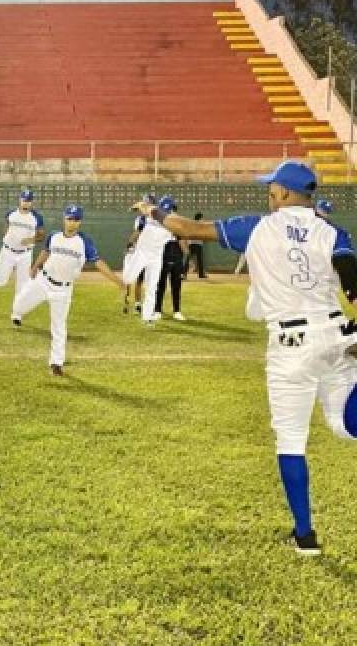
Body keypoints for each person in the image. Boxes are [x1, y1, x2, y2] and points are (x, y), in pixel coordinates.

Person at [136, 161, 357, 556]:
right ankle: (303, 535)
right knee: (344, 425)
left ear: (288, 193)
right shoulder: (333, 231)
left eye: (274, 187)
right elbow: (352, 277)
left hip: (292, 343)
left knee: (292, 440)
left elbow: (184, 229)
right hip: (337, 332)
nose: (269, 192)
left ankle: (305, 536)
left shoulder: (257, 226)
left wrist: (152, 210)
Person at [11, 205, 126, 376]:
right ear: (64, 218)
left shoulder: (84, 242)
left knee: (59, 326)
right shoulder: (54, 236)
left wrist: (119, 282)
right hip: (43, 281)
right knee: (18, 306)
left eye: (76, 220)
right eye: (69, 218)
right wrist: (36, 266)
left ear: (80, 222)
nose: (72, 223)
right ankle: (17, 314)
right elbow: (46, 251)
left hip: (63, 290)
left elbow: (99, 263)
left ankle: (56, 363)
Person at [0, 189, 45, 301]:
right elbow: (6, 227)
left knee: (22, 288)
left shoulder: (37, 217)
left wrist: (31, 239)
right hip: (7, 251)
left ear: (32, 202)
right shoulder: (11, 214)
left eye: (28, 200)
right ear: (20, 200)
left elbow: (41, 236)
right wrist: (7, 236)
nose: (25, 203)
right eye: (24, 200)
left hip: (24, 254)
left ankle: (18, 306)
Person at [152, 197, 186, 321]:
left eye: (170, 209)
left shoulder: (178, 221)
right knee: (160, 284)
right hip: (163, 253)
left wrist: (185, 255)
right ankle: (157, 310)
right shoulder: (157, 221)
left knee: (176, 285)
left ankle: (177, 311)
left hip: (176, 254)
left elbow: (182, 240)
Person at [183, 212, 208, 279]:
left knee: (187, 260)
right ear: (200, 218)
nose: (203, 219)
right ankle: (201, 275)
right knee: (199, 260)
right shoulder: (201, 225)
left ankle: (184, 274)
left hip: (191, 244)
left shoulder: (191, 224)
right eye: (202, 218)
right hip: (197, 244)